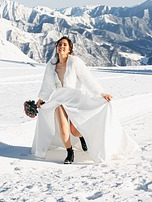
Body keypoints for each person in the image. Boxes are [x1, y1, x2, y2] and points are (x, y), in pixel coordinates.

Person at [32, 36, 139, 164]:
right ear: (56, 47)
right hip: (59, 98)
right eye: (60, 44)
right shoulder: (51, 65)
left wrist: (101, 93)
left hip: (75, 99)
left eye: (65, 45)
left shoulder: (75, 62)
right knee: (62, 126)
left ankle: (82, 137)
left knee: (74, 131)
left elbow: (88, 79)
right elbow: (46, 84)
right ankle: (69, 152)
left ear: (69, 49)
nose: (62, 46)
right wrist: (41, 99)